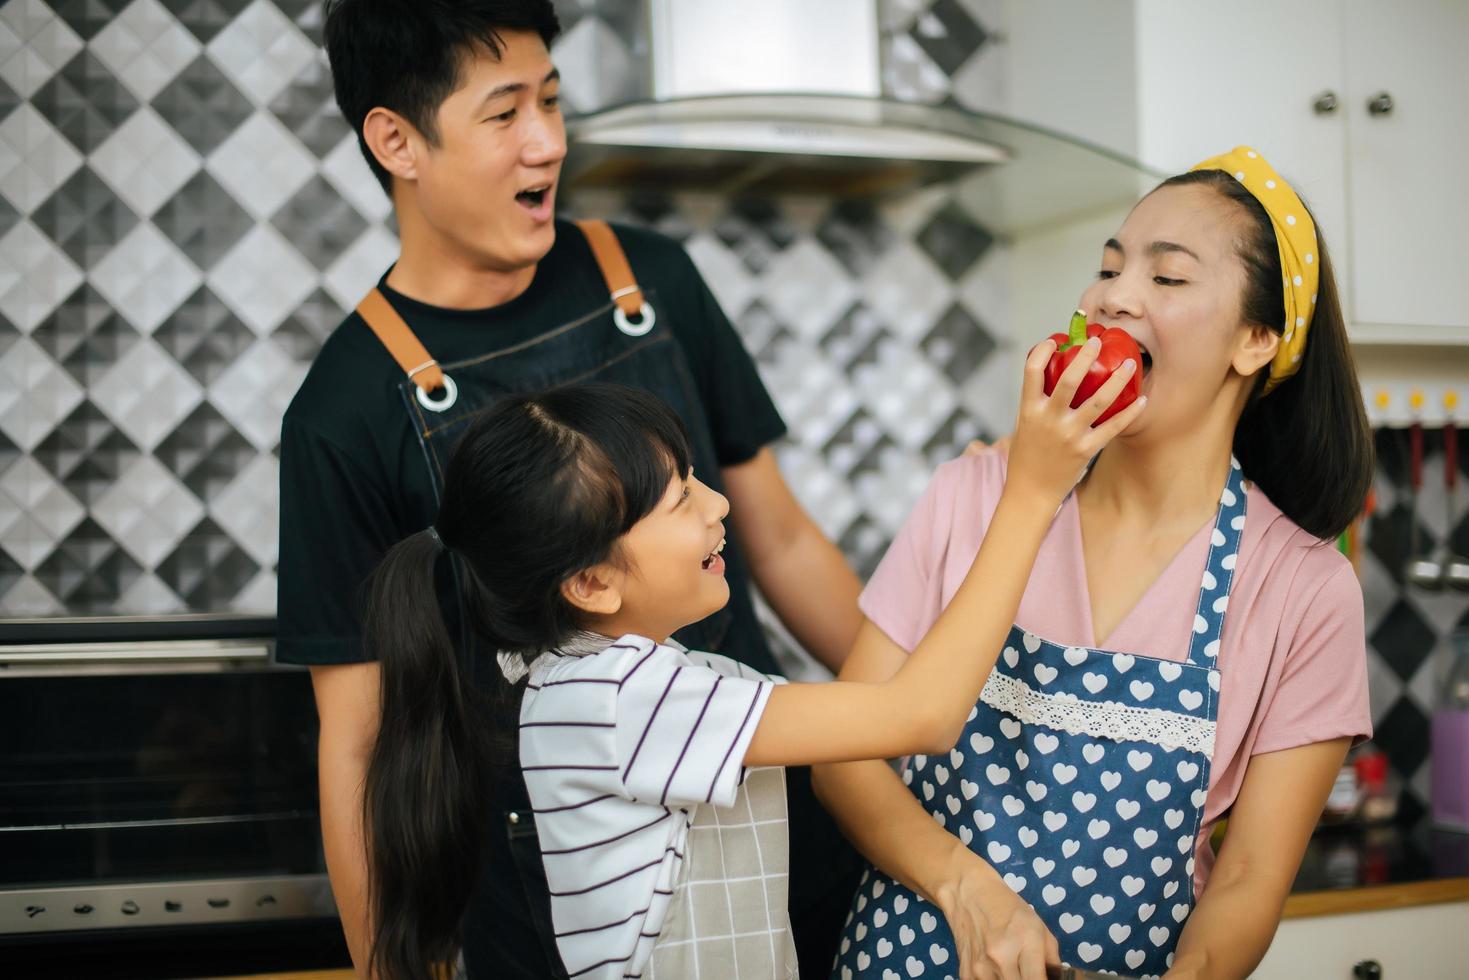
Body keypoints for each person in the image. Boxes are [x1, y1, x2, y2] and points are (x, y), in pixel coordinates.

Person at [276, 2, 865, 975]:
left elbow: (786, 544)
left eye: (550, 99)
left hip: (775, 828)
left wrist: (918, 736)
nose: (547, 142)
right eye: (503, 114)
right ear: (396, 141)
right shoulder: (342, 412)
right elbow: (360, 739)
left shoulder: (653, 279)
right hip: (552, 901)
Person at [359, 369, 1144, 980]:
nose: (716, 506)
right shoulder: (626, 699)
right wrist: (1030, 495)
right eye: (678, 501)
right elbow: (921, 714)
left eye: (696, 477)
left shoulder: (581, 678)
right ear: (592, 584)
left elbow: (884, 706)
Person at [817, 146, 1375, 980]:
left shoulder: (1304, 587)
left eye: (1168, 278)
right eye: (1109, 267)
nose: (1112, 295)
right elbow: (842, 752)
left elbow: (1254, 876)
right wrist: (967, 890)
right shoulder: (974, 495)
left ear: (1257, 340)